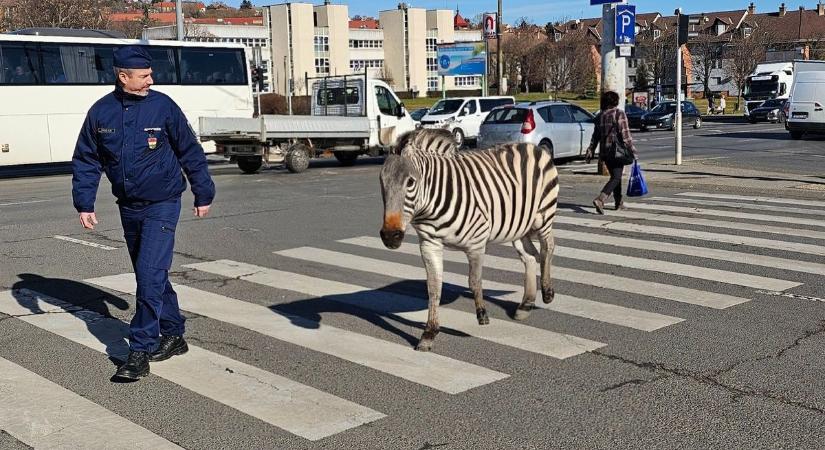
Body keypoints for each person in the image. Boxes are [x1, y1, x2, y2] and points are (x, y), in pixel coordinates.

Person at [72, 45, 215, 381]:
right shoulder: (101, 112)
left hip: (163, 203)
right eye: (144, 75)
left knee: (149, 276)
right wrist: (85, 201)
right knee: (150, 275)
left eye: (151, 74)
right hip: (129, 206)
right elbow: (87, 159)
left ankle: (139, 350)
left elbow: (189, 150)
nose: (152, 79)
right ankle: (174, 333)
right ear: (123, 76)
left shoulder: (162, 106)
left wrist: (203, 191)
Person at [584, 91, 638, 214]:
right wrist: (632, 150)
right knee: (616, 177)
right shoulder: (619, 114)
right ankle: (601, 199)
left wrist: (591, 150)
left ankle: (618, 203)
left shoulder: (599, 116)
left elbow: (595, 136)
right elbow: (626, 135)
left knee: (615, 176)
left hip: (605, 152)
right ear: (615, 101)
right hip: (617, 151)